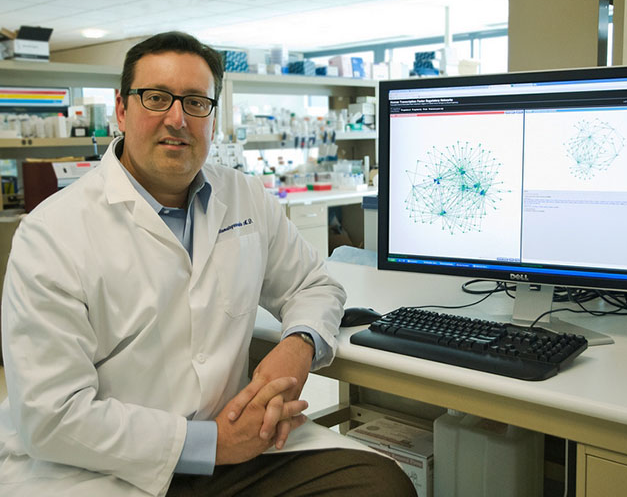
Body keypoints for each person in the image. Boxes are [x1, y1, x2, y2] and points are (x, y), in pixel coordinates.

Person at [0, 32, 416, 496]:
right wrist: (212, 444)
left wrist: (299, 344)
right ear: (121, 109)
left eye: (196, 102)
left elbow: (315, 285)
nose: (177, 119)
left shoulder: (244, 196)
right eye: (156, 98)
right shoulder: (51, 233)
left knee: (380, 486)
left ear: (213, 118)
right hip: (100, 468)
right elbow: (51, 416)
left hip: (236, 445)